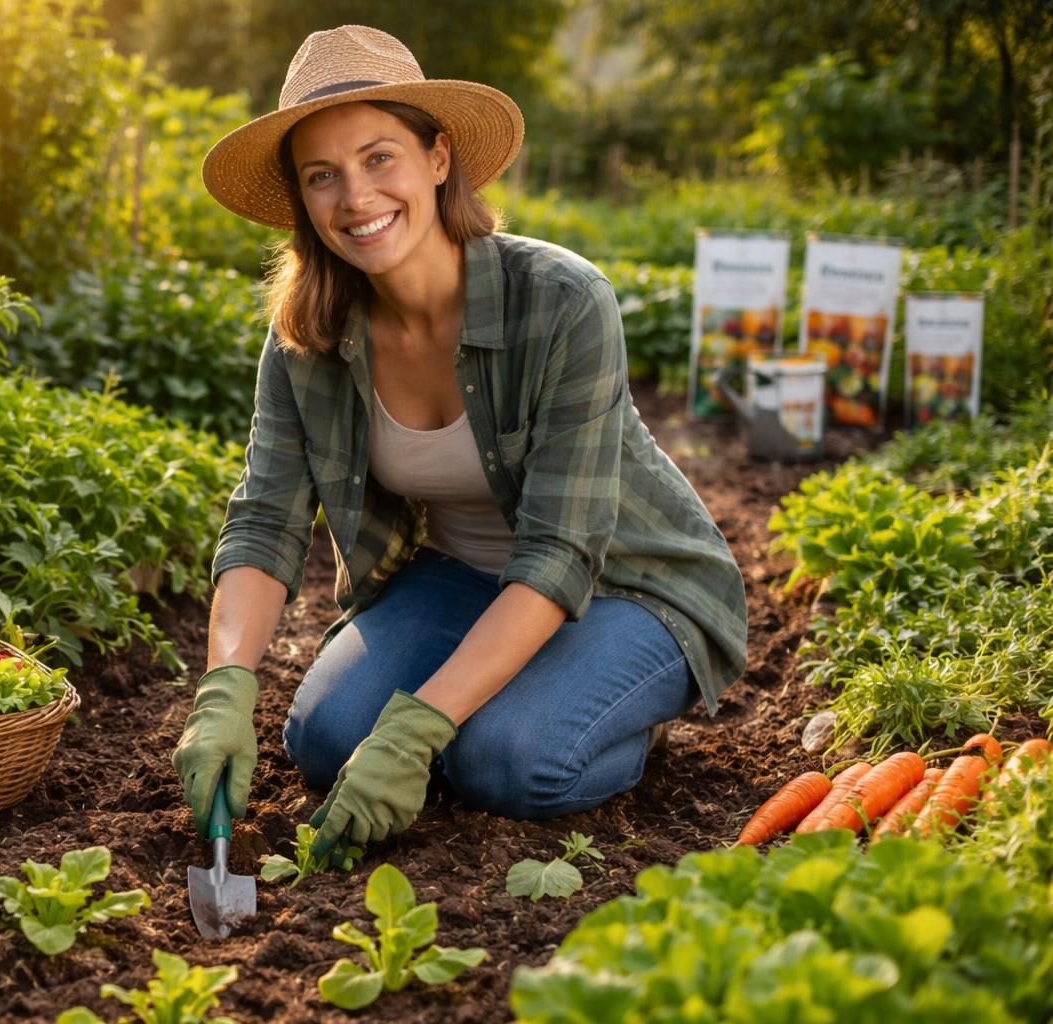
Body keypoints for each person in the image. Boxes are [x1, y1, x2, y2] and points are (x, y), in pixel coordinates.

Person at [172, 25, 747, 861]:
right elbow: (265, 520)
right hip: (462, 579)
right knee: (326, 737)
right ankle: (496, 697)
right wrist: (225, 686)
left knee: (509, 762)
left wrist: (417, 732)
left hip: (629, 584)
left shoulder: (561, 303)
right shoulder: (309, 336)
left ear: (438, 158)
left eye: (379, 158)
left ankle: (600, 708)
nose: (355, 198)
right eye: (322, 176)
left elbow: (558, 552)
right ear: (302, 200)